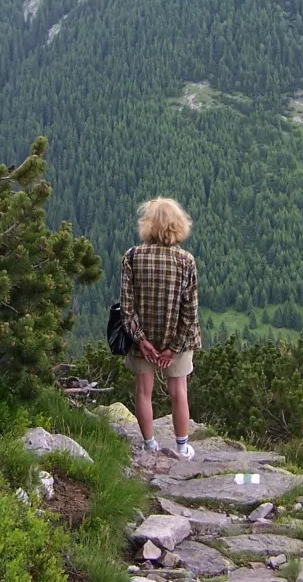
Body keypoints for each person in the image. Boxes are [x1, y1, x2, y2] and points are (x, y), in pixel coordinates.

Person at [119, 197, 200, 459]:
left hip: (143, 339)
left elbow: (127, 307)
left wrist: (141, 340)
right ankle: (181, 447)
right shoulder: (186, 261)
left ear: (148, 225)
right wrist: (174, 348)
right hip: (178, 340)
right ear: (178, 226)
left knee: (144, 391)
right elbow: (190, 311)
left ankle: (149, 445)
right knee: (179, 392)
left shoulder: (132, 257)